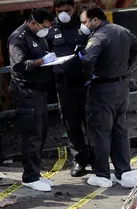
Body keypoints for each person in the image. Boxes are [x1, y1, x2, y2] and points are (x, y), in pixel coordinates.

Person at [78, 3, 137, 188]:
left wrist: (88, 76)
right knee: (119, 130)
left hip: (102, 89)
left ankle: (102, 174)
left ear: (95, 20)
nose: (83, 26)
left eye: (85, 22)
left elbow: (89, 59)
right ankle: (123, 171)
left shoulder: (97, 38)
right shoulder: (122, 30)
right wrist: (125, 68)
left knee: (100, 132)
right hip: (121, 86)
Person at [7, 8, 57, 192]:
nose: (46, 30)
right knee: (31, 135)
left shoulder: (38, 35)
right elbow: (18, 65)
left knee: (41, 132)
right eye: (44, 26)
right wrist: (41, 62)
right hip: (26, 92)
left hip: (39, 92)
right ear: (34, 22)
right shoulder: (18, 38)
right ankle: (30, 176)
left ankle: (36, 172)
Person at [49, 0, 92, 177]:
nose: (63, 14)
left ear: (73, 8)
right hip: (64, 85)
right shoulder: (51, 29)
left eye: (66, 10)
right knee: (71, 124)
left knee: (92, 122)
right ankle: (79, 160)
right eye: (59, 11)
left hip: (85, 82)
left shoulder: (83, 24)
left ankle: (98, 158)